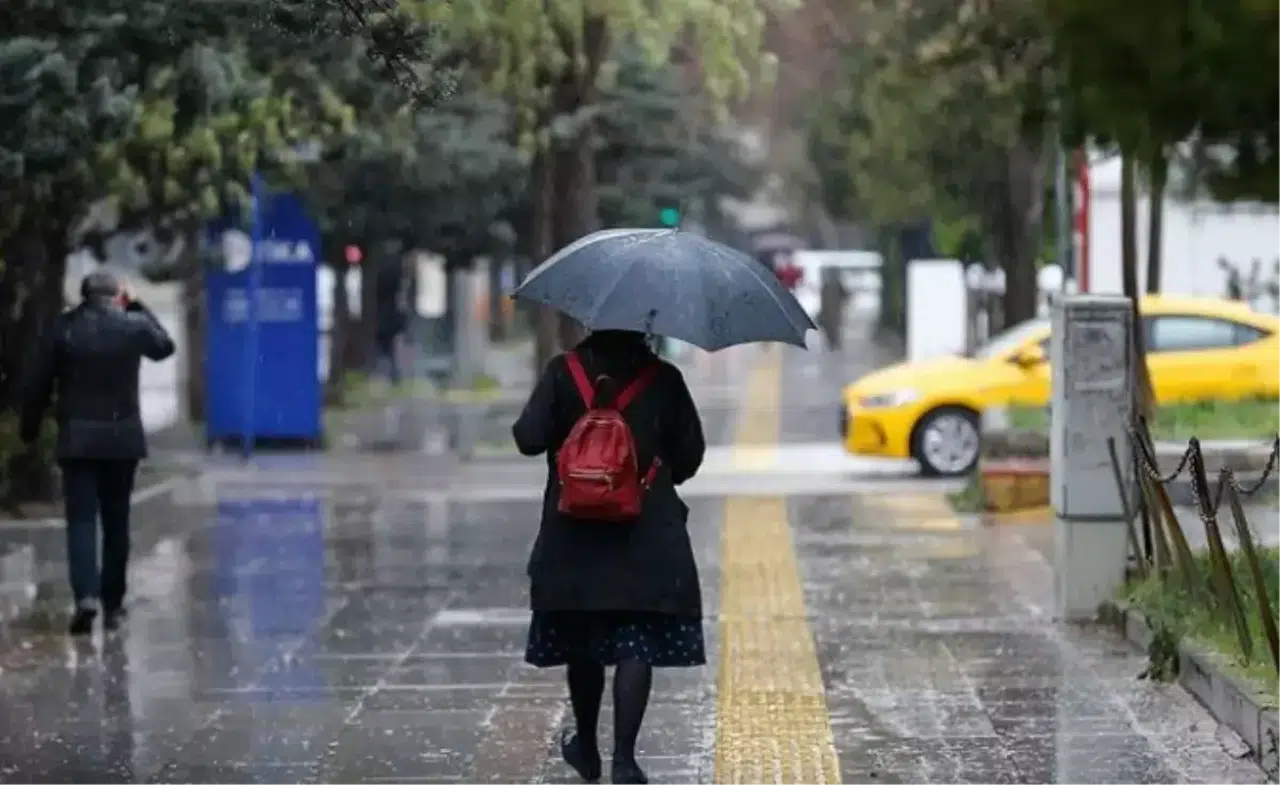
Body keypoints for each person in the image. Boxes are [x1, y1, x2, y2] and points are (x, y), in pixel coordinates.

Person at [512, 329, 706, 784]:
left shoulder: (564, 373)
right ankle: (625, 759)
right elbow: (691, 457)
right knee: (634, 640)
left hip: (573, 536)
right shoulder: (664, 378)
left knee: (584, 639)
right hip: (646, 535)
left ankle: (586, 746)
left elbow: (528, 437)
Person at [20, 270, 176, 636]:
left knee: (81, 520)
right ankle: (114, 603)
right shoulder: (133, 325)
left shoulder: (65, 329)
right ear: (117, 295)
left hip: (78, 441)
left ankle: (86, 597)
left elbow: (38, 384)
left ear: (84, 295)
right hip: (122, 441)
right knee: (117, 522)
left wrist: (30, 429)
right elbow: (165, 347)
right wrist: (137, 303)